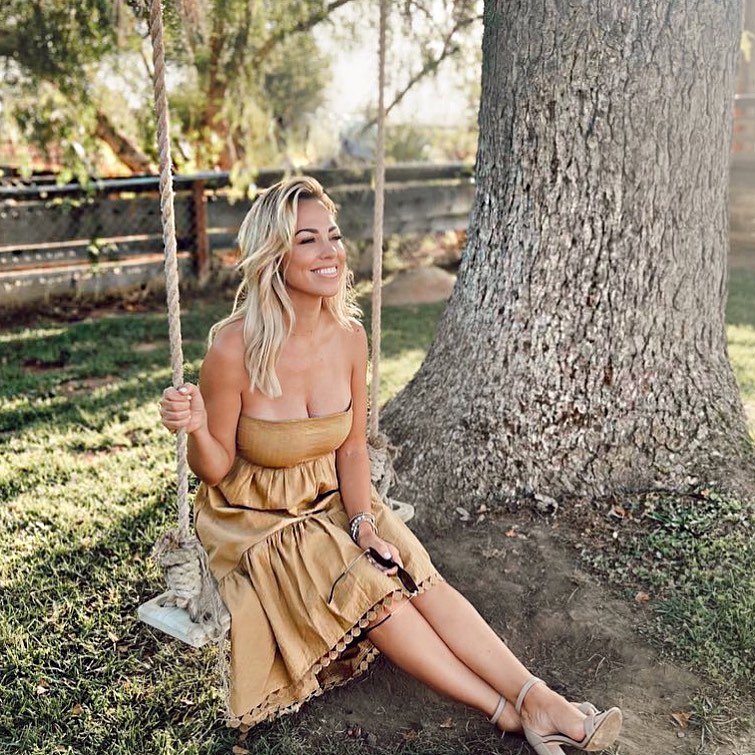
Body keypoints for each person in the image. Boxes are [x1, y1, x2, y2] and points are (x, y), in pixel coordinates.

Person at [158, 176, 623, 753]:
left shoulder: (350, 336)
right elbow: (215, 468)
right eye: (307, 241)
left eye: (333, 235)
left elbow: (352, 449)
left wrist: (364, 523)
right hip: (257, 516)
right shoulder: (233, 348)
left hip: (331, 495)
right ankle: (504, 710)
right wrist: (197, 425)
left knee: (415, 573)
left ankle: (535, 695)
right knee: (374, 590)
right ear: (272, 256)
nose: (330, 252)